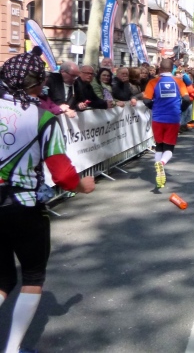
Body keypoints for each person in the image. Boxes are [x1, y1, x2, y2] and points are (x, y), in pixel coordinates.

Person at [0, 52, 96, 353]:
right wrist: (82, 186)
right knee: (32, 276)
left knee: (3, 278)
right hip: (23, 206)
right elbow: (63, 174)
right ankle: (12, 349)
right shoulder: (43, 117)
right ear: (36, 82)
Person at [143, 59, 191, 189]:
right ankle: (162, 163)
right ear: (172, 69)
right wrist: (181, 109)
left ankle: (158, 169)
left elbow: (146, 100)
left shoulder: (153, 82)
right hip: (173, 118)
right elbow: (187, 99)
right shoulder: (178, 82)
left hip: (158, 118)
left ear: (159, 68)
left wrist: (155, 107)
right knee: (169, 147)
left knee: (159, 145)